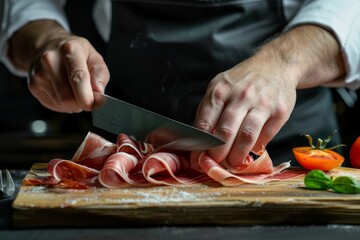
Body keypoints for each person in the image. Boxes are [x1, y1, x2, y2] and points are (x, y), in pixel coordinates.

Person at [1, 0, 360, 168]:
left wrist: (281, 63)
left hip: (288, 155)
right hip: (132, 159)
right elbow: (29, 6)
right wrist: (46, 42)